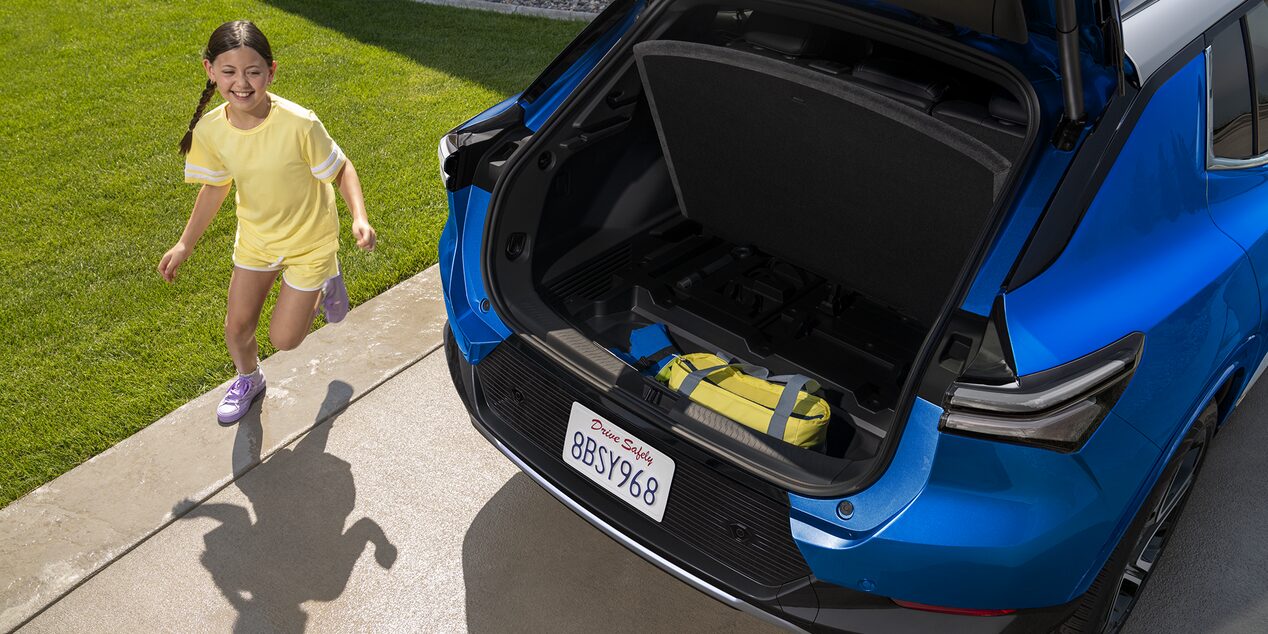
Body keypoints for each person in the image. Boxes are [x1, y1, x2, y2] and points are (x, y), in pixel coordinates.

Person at [158, 20, 376, 425]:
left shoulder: (299, 123)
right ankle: (248, 378)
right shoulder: (210, 130)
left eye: (253, 72)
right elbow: (215, 188)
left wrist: (358, 218)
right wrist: (185, 244)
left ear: (271, 71)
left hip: (311, 241)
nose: (241, 83)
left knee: (285, 339)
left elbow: (342, 168)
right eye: (229, 72)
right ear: (209, 70)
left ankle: (327, 276)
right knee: (236, 327)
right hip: (257, 239)